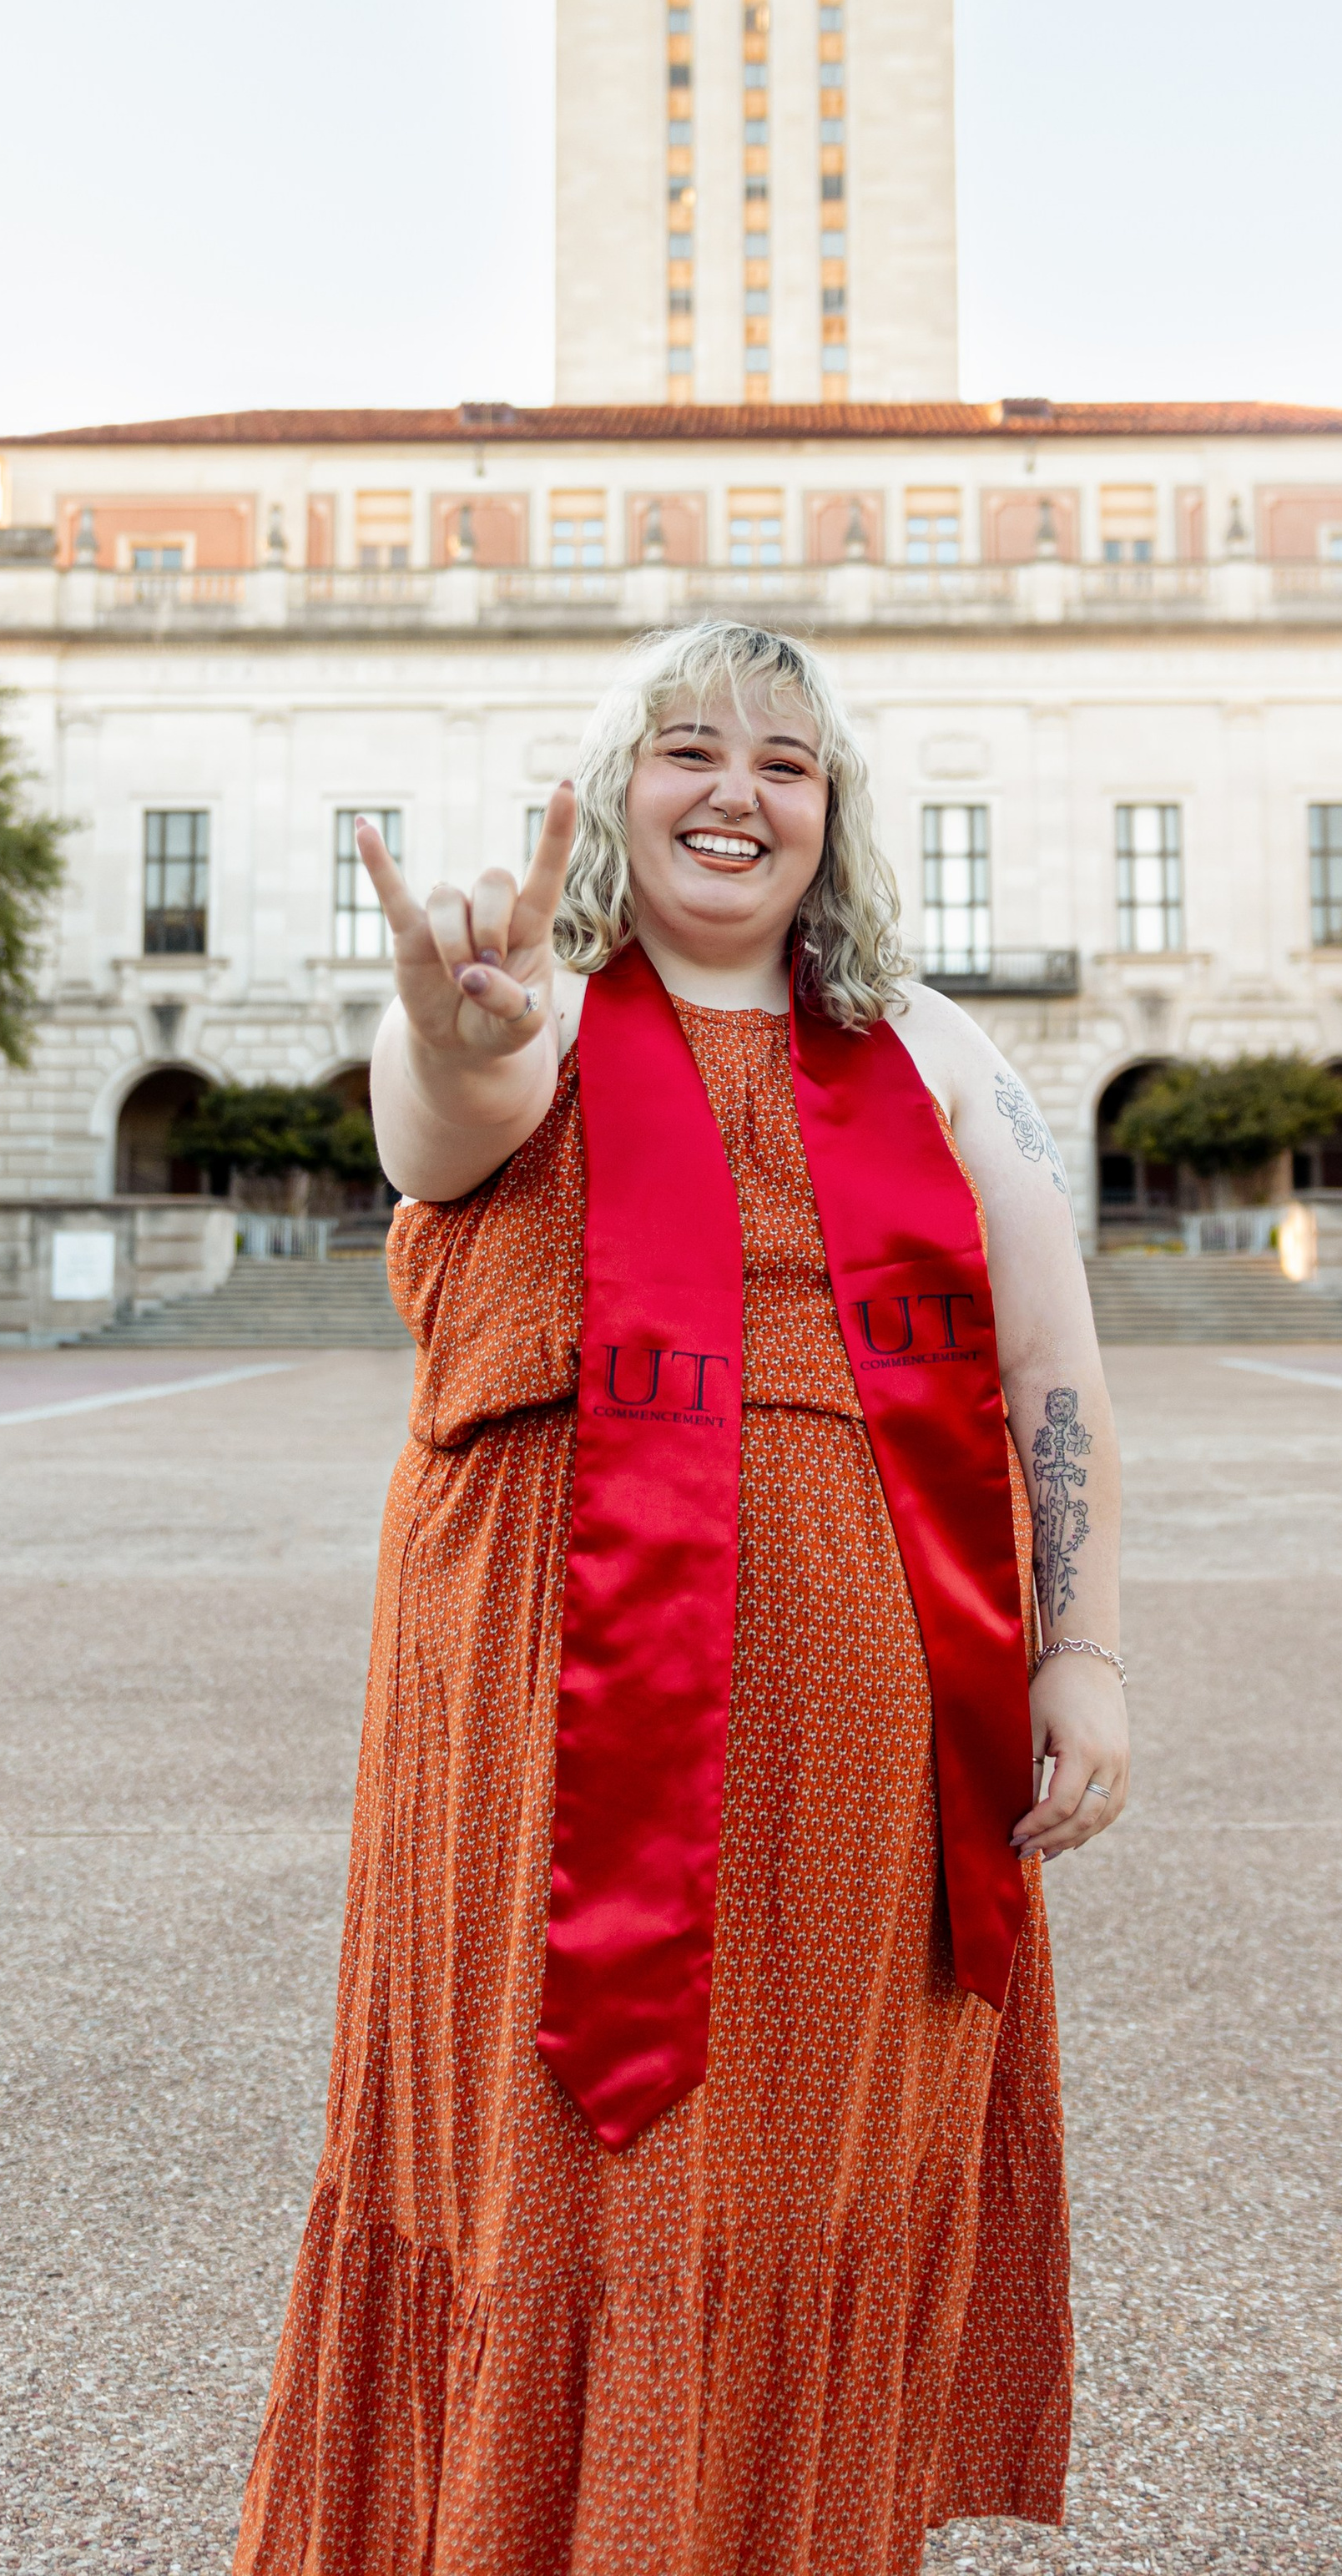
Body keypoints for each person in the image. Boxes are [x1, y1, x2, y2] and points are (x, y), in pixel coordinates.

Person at [235, 620, 1127, 2576]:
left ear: (837, 814)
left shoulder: (934, 1051)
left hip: (871, 1745)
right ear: (614, 783)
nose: (737, 793)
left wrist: (1080, 1646)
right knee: (555, 2166)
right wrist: (452, 1034)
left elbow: (1046, 1364)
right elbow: (443, 1114)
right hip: (546, 1726)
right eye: (689, 751)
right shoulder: (531, 1009)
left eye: (787, 763)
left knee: (796, 2174)